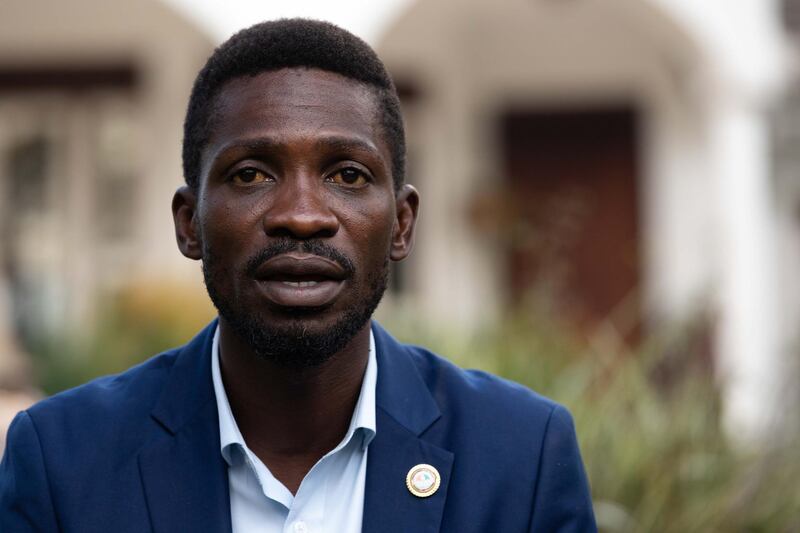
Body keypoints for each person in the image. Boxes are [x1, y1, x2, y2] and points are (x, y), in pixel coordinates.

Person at [0, 19, 596, 532]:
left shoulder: (522, 456)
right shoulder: (63, 461)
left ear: (401, 225)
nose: (302, 216)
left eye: (348, 175)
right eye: (252, 174)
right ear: (189, 225)